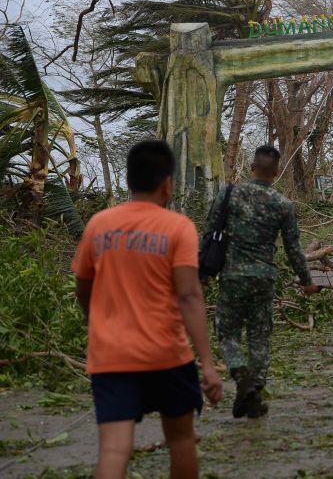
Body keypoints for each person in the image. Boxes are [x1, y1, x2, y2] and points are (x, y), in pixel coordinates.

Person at [72, 140, 223, 478]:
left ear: (128, 181)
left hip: (111, 355)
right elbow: (189, 296)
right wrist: (208, 364)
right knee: (182, 439)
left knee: (113, 449)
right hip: (167, 354)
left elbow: (83, 284)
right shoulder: (178, 227)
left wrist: (92, 321)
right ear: (167, 183)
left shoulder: (99, 224)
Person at [207, 145, 320, 419]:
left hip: (232, 276)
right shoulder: (282, 204)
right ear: (277, 172)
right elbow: (293, 247)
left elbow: (210, 232)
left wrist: (202, 273)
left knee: (227, 332)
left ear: (252, 168)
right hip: (264, 279)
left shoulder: (230, 195)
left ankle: (239, 371)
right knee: (259, 337)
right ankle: (254, 392)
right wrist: (306, 281)